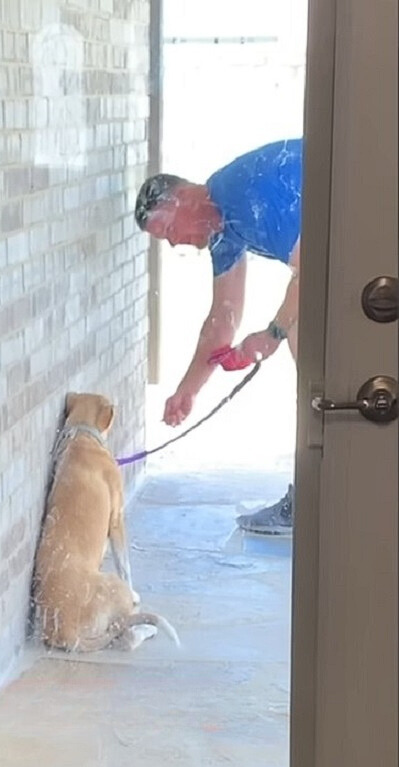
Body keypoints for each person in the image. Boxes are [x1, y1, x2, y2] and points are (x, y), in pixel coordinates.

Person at [135, 139, 302, 534]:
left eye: (168, 232)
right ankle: (313, 496)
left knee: (305, 341)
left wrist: (273, 333)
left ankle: (319, 498)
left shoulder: (242, 196)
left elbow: (316, 266)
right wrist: (187, 390)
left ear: (183, 199)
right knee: (306, 343)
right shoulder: (223, 229)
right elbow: (222, 317)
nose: (175, 244)